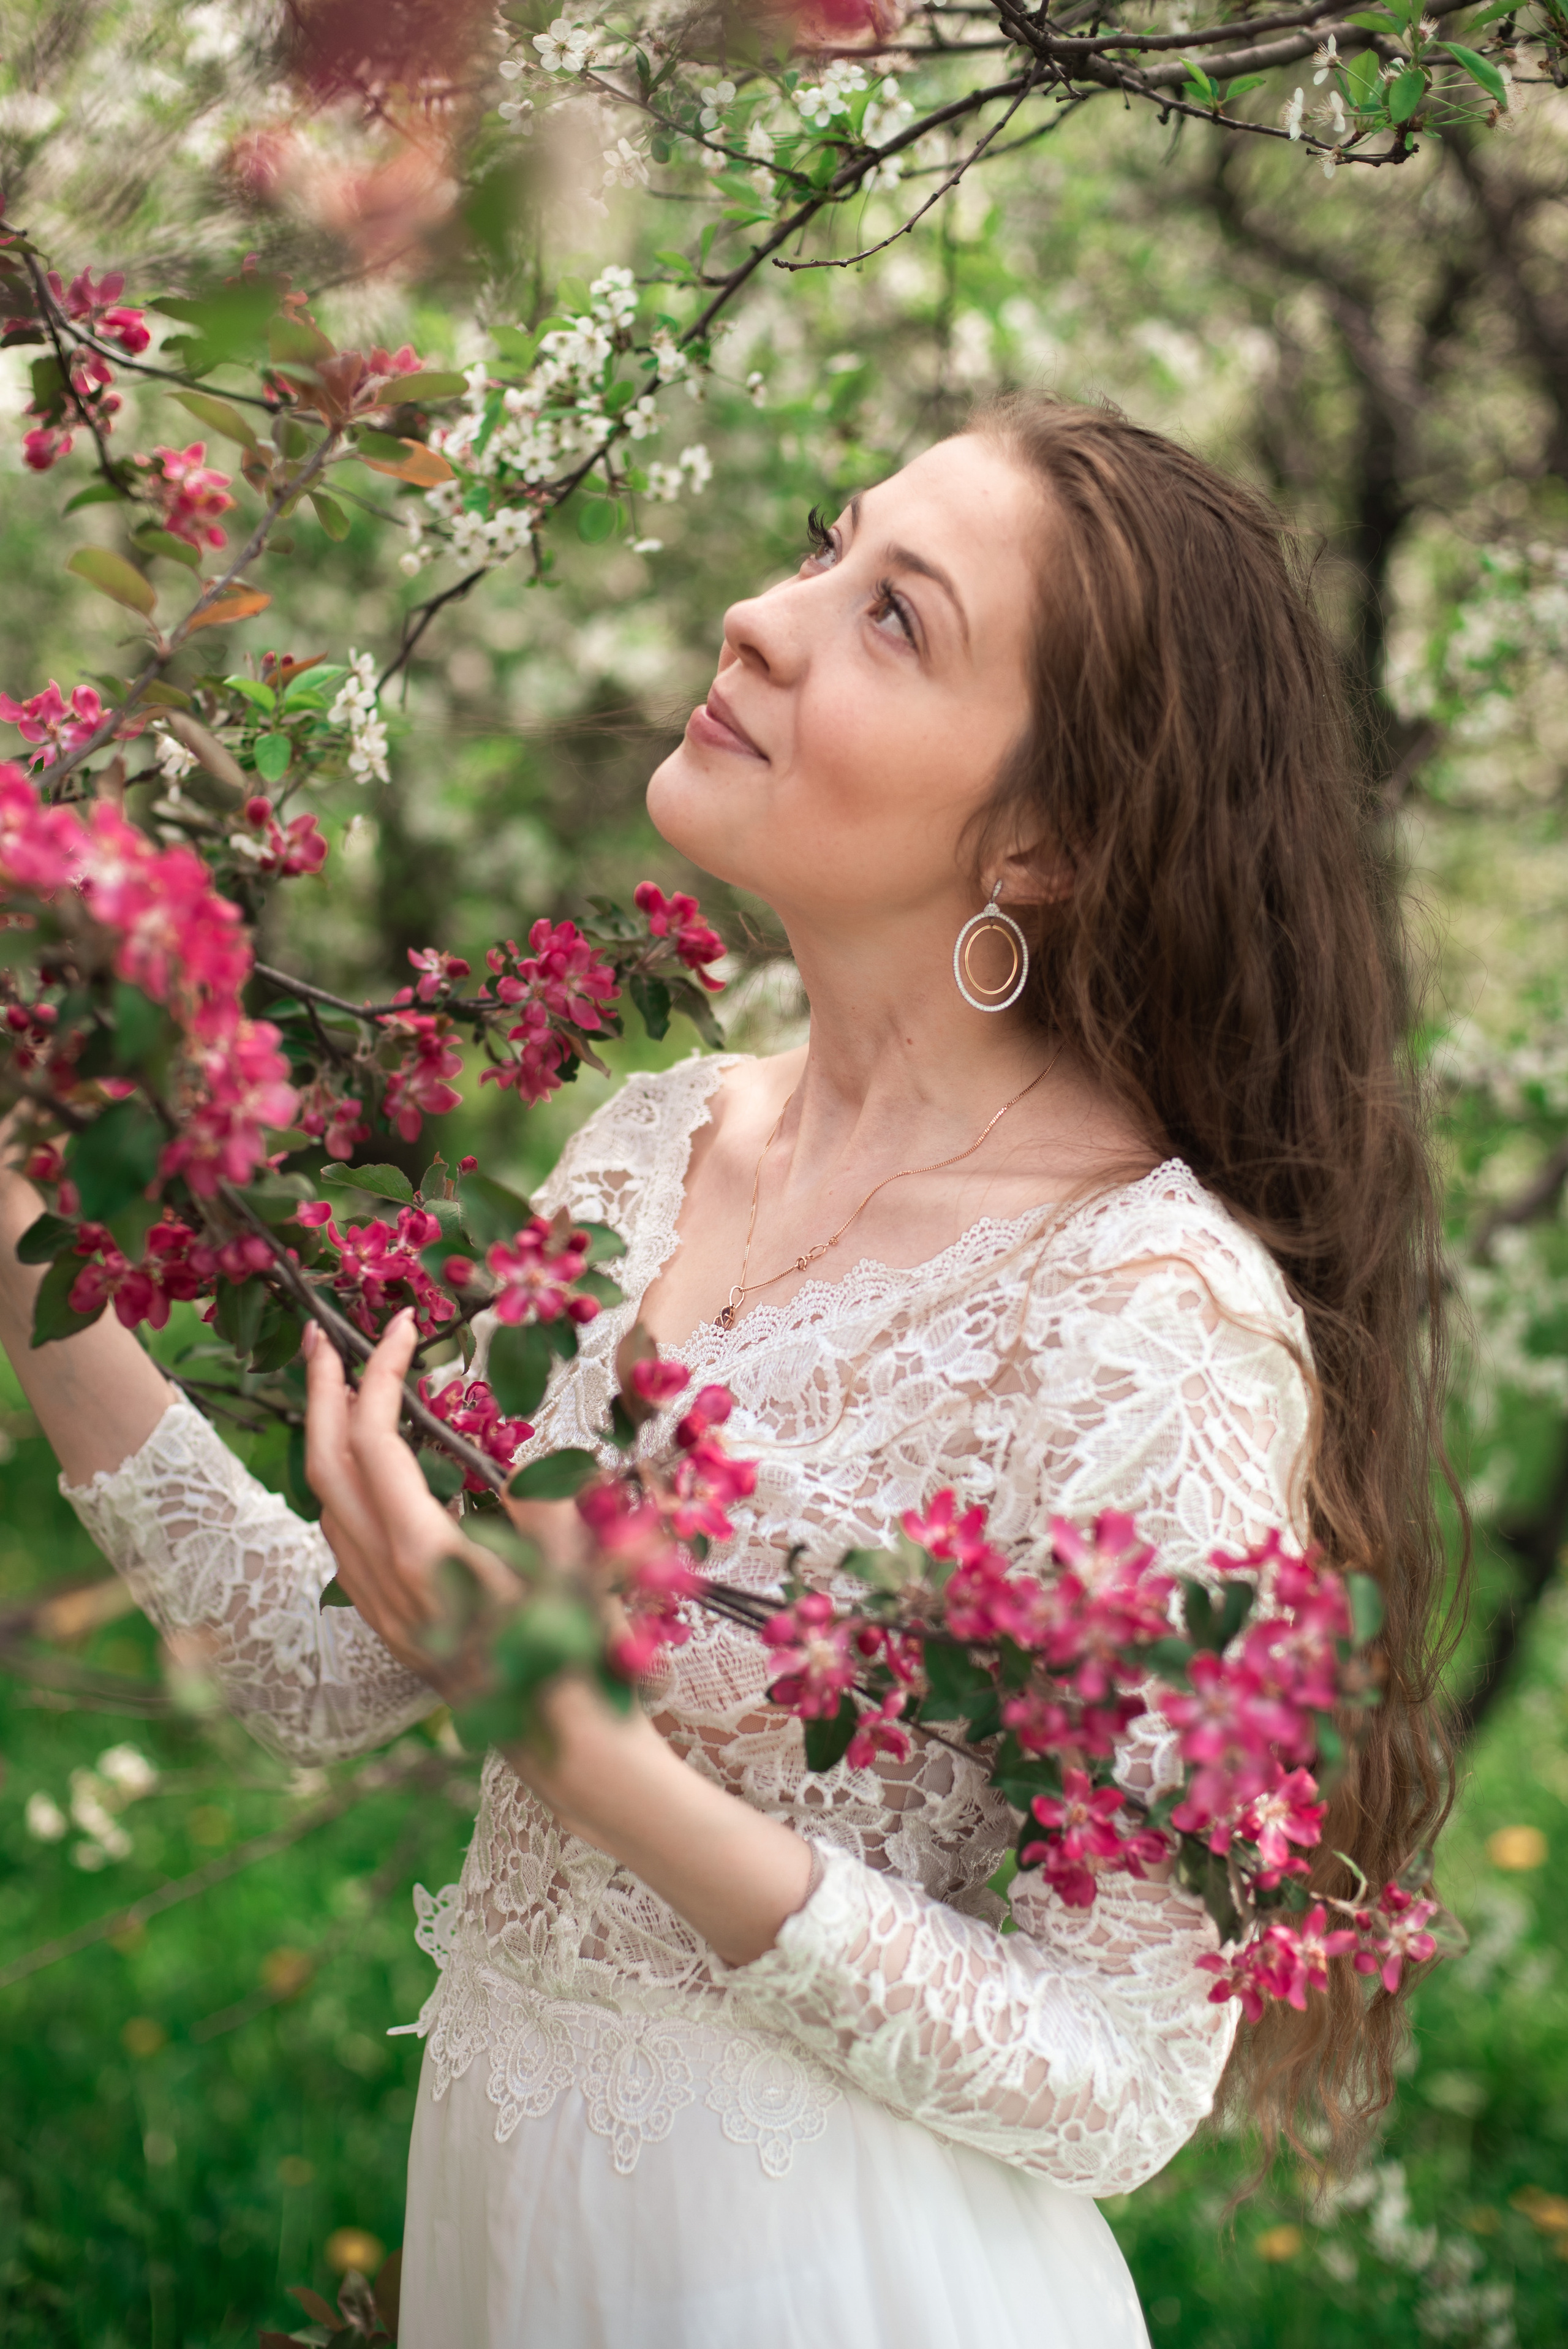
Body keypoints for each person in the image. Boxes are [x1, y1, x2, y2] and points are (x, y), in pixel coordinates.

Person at [0, 394, 1457, 2349]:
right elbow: (335, 1664)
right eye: (825, 546)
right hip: (517, 2246)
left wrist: (601, 1764)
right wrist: (36, 1251)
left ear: (1045, 839)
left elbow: (1122, 2072)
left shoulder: (1139, 1305)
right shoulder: (656, 1140)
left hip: (834, 2283)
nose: (766, 618)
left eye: (894, 620)